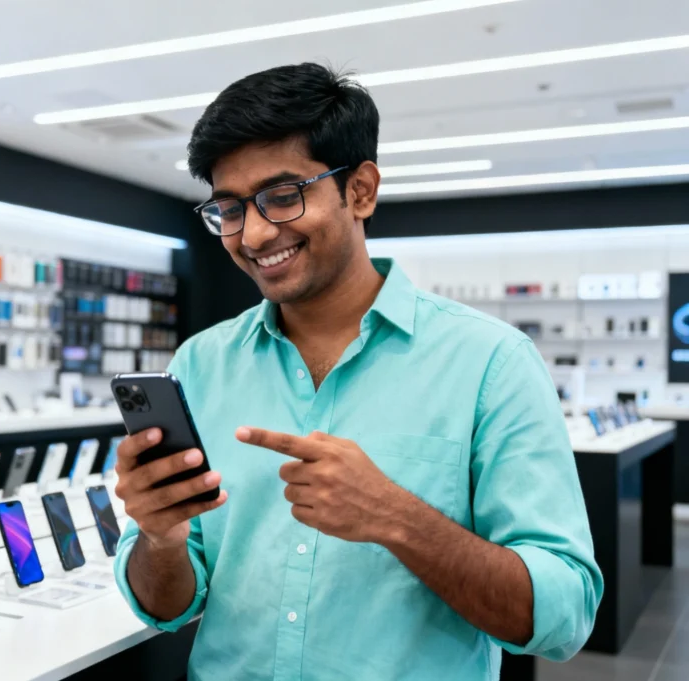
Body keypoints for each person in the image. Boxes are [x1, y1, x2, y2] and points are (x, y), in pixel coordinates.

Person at [112, 63, 603, 680]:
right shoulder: (201, 364)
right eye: (230, 209)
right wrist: (160, 539)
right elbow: (170, 607)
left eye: (284, 196)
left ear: (361, 190)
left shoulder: (490, 363)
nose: (256, 233)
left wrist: (398, 518)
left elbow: (564, 615)